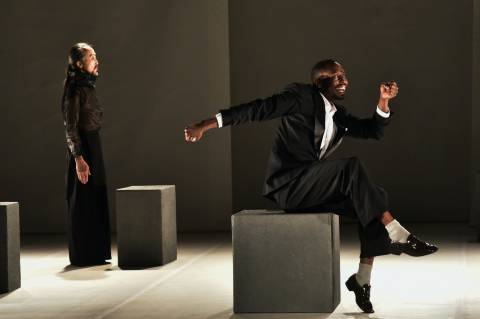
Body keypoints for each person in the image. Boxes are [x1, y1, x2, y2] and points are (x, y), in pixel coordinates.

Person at [184, 59, 438, 313]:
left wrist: (383, 102)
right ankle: (396, 233)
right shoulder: (301, 97)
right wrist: (205, 125)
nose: (344, 81)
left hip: (310, 186)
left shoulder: (338, 115)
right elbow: (256, 109)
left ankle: (362, 279)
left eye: (345, 76)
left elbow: (373, 131)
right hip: (289, 185)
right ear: (320, 81)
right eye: (336, 76)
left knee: (372, 197)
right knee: (351, 168)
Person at [61, 43, 111, 266]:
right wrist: (79, 159)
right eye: (92, 57)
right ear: (80, 64)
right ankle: (83, 254)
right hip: (83, 149)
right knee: (82, 201)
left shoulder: (87, 86)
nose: (96, 60)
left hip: (93, 143)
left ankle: (96, 252)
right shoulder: (74, 89)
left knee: (95, 197)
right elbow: (70, 127)